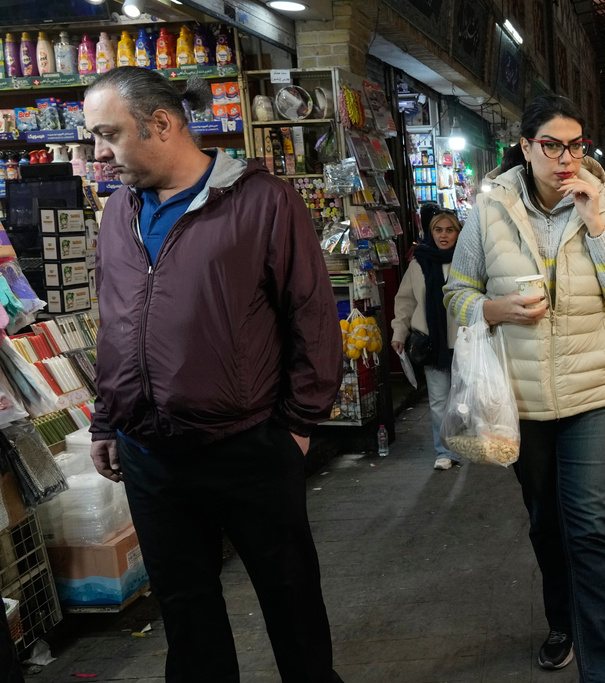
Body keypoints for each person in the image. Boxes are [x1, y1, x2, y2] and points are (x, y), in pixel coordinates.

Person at [83, 67, 344, 683]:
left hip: (249, 444)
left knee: (291, 603)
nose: (98, 153)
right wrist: (106, 418)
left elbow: (312, 318)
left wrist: (297, 426)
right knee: (187, 614)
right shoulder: (119, 212)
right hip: (149, 453)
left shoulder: (262, 201)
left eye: (108, 134)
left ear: (162, 124)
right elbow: (116, 324)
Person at [444, 95, 605, 681]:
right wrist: (495, 308)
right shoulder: (491, 211)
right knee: (544, 521)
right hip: (523, 398)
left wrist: (599, 226)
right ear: (528, 147)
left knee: (589, 524)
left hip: (592, 394)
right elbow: (457, 293)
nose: (566, 157)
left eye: (576, 145)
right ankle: (562, 620)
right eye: (553, 145)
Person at [391, 207, 463, 470]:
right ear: (430, 233)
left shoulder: (468, 260)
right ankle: (444, 451)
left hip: (464, 342)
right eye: (438, 230)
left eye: (449, 230)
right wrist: (399, 333)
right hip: (432, 344)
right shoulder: (418, 263)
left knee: (464, 400)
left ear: (458, 233)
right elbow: (405, 302)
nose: (443, 235)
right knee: (438, 400)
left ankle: (465, 444)